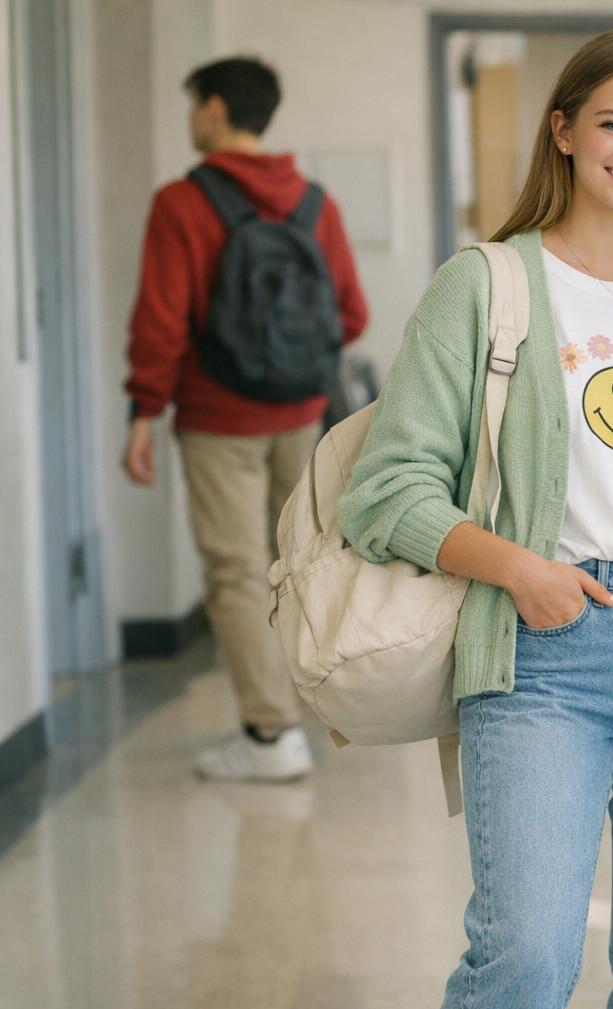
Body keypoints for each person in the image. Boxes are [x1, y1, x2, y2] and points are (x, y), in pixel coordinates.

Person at [336, 30, 613, 1009]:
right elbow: (385, 489)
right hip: (544, 653)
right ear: (564, 129)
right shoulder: (486, 285)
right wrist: (520, 570)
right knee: (525, 957)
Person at [121, 56, 368, 783]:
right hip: (301, 414)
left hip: (217, 418)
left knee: (234, 574)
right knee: (306, 563)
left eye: (194, 104)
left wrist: (143, 412)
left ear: (218, 108)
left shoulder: (181, 203)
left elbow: (161, 323)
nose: (191, 117)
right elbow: (351, 313)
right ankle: (328, 709)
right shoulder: (315, 204)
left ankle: (269, 736)